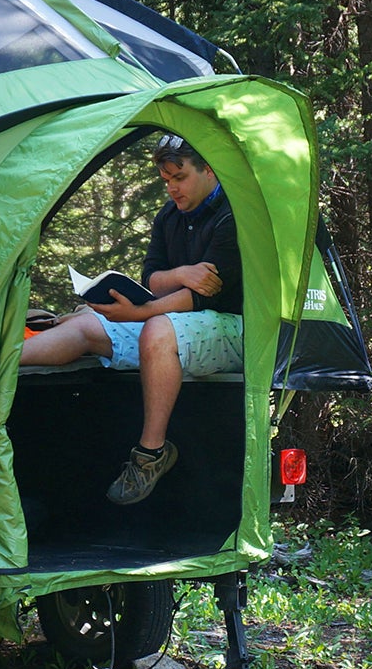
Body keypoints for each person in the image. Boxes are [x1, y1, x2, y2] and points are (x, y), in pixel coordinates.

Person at [19, 134, 243, 504]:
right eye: (165, 180)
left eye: (179, 177)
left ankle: (150, 454)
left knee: (157, 328)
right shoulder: (169, 217)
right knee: (86, 323)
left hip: (231, 327)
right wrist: (181, 272)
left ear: (209, 169)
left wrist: (142, 310)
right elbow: (152, 277)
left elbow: (204, 295)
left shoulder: (232, 217)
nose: (172, 187)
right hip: (173, 320)